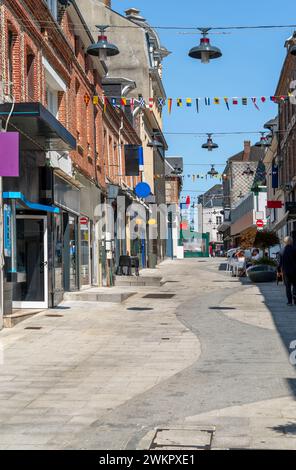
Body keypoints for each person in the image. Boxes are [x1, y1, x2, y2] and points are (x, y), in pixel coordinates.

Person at [279, 236, 296, 306]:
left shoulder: (281, 251)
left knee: (288, 287)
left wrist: (278, 271)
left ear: (284, 242)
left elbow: (280, 263)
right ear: (291, 242)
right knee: (295, 285)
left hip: (285, 271)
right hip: (295, 271)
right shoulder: (295, 249)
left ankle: (289, 301)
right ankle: (295, 297)